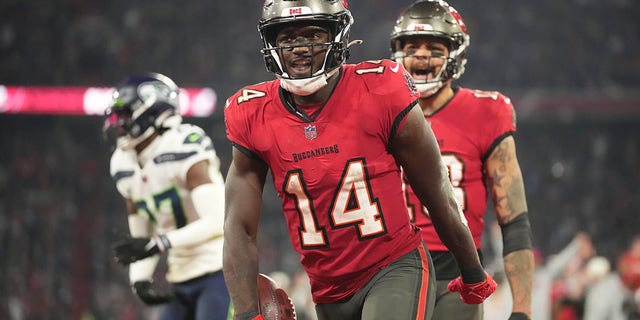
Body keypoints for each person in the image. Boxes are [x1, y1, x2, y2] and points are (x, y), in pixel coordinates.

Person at [222, 1, 497, 320]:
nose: (299, 48)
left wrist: (471, 270)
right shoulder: (251, 112)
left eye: (312, 35)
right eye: (287, 39)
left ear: (338, 35)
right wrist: (245, 314)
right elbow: (238, 227)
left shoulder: (380, 88)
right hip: (326, 289)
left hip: (392, 267)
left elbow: (436, 191)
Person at [389, 1, 535, 319]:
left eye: (434, 47)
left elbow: (514, 222)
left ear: (455, 53)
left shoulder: (486, 112)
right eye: (413, 46)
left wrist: (522, 310)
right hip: (389, 270)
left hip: (459, 272)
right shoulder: (380, 112)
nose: (423, 55)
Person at [104, 73, 231, 319]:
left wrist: (159, 243)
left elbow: (217, 221)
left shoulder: (183, 144)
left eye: (126, 115)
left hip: (220, 269)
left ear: (153, 111)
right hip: (179, 276)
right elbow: (142, 238)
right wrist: (139, 279)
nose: (118, 123)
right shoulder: (122, 164)